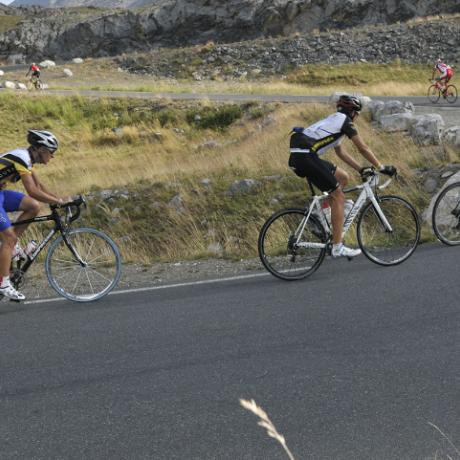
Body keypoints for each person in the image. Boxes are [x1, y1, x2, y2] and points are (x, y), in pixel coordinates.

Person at [289, 95, 397, 259]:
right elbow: (363, 148)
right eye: (358, 114)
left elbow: (341, 153)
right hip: (306, 157)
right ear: (353, 112)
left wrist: (360, 169)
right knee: (339, 197)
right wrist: (380, 167)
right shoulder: (345, 122)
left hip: (300, 155)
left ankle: (320, 211)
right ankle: (338, 247)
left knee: (343, 177)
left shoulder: (334, 120)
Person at [0, 130, 72, 300]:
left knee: (33, 206)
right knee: (9, 238)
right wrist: (60, 201)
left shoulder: (27, 159)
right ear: (41, 149)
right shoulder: (22, 158)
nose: (52, 156)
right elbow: (32, 190)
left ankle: (10, 247)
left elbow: (38, 185)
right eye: (51, 152)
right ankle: (3, 283)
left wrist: (58, 200)